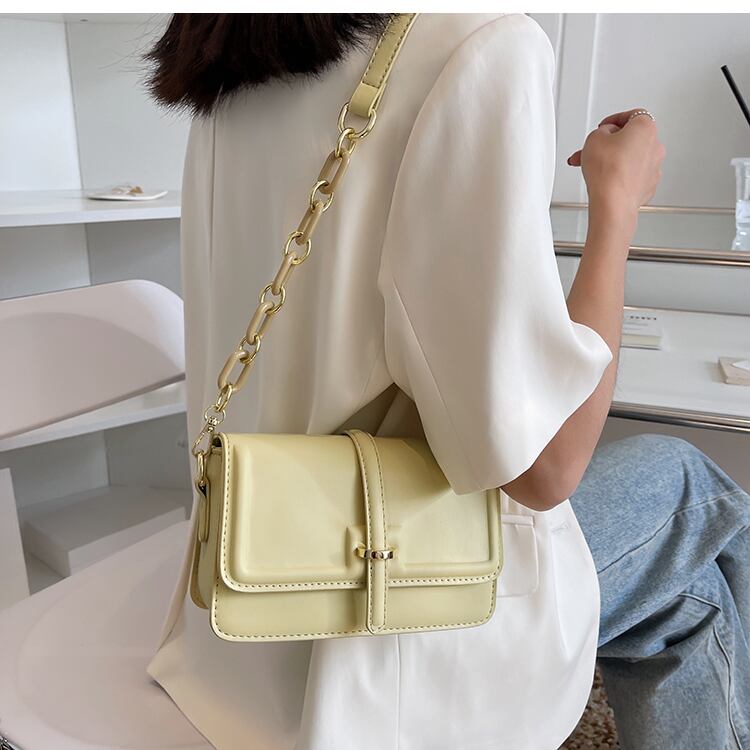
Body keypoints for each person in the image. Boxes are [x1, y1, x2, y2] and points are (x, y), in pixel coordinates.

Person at [145, 13, 750, 750]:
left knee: (692, 598)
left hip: (238, 609)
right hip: (382, 624)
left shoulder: (234, 51)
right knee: (695, 490)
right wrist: (616, 210)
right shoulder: (480, 44)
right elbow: (547, 468)